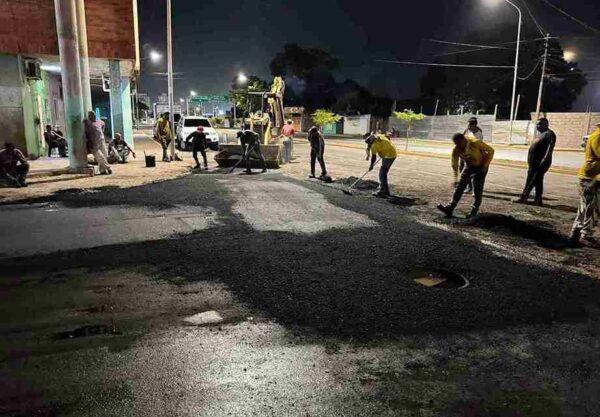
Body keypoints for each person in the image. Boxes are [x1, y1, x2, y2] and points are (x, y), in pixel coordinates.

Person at [437, 132, 495, 219]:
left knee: (477, 189)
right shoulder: (456, 149)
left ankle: (473, 212)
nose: (459, 146)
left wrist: (485, 165)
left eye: (460, 143)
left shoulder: (475, 142)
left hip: (481, 166)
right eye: (456, 144)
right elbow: (454, 164)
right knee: (460, 186)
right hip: (469, 166)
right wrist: (455, 178)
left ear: (464, 140)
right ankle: (450, 207)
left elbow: (491, 150)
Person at [569, 123, 600, 246]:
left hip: (595, 177)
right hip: (589, 177)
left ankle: (583, 232)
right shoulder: (597, 136)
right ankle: (579, 232)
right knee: (588, 206)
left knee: (593, 207)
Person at [516, 118, 556, 206]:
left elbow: (550, 148)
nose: (538, 126)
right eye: (537, 124)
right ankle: (538, 200)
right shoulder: (540, 135)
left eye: (540, 124)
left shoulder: (549, 134)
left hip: (541, 163)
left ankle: (523, 197)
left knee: (532, 180)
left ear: (546, 124)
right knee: (537, 180)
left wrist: (544, 160)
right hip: (533, 163)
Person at [365, 131, 397, 198]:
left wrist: (371, 166)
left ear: (372, 142)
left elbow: (374, 157)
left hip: (389, 156)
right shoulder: (380, 135)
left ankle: (383, 191)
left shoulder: (374, 146)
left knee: (382, 173)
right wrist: (386, 145)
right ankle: (385, 190)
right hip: (391, 152)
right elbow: (388, 136)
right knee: (383, 172)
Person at [83, 111, 112, 175]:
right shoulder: (88, 122)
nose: (92, 116)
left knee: (104, 154)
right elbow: (86, 133)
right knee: (99, 156)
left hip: (101, 140)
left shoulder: (99, 121)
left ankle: (102, 170)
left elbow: (103, 124)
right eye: (90, 115)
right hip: (93, 141)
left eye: (93, 115)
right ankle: (108, 167)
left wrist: (102, 131)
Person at [461, 117, 484, 193]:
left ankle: (470, 187)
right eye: (469, 123)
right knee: (461, 169)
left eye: (471, 123)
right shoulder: (467, 131)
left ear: (475, 124)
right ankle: (469, 186)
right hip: (464, 153)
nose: (469, 125)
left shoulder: (479, 134)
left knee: (469, 172)